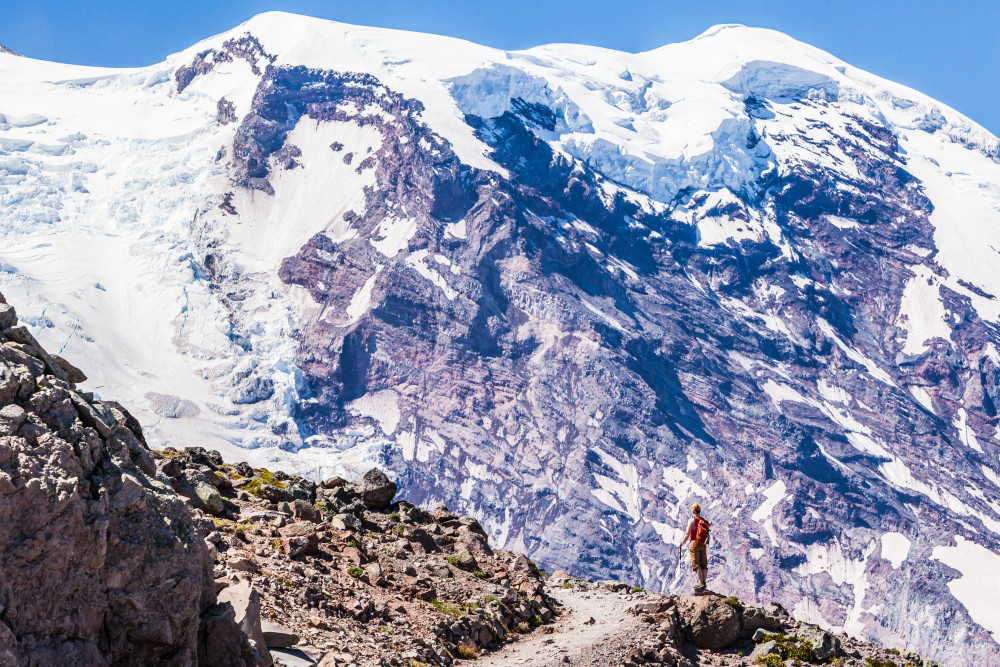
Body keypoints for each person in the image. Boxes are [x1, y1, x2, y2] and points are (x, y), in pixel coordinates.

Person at [678, 503, 710, 592]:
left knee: (696, 564)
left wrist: (682, 543)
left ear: (693, 511)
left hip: (694, 543)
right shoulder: (703, 520)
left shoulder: (692, 520)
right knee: (704, 564)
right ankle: (704, 582)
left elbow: (687, 534)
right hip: (703, 544)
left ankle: (700, 582)